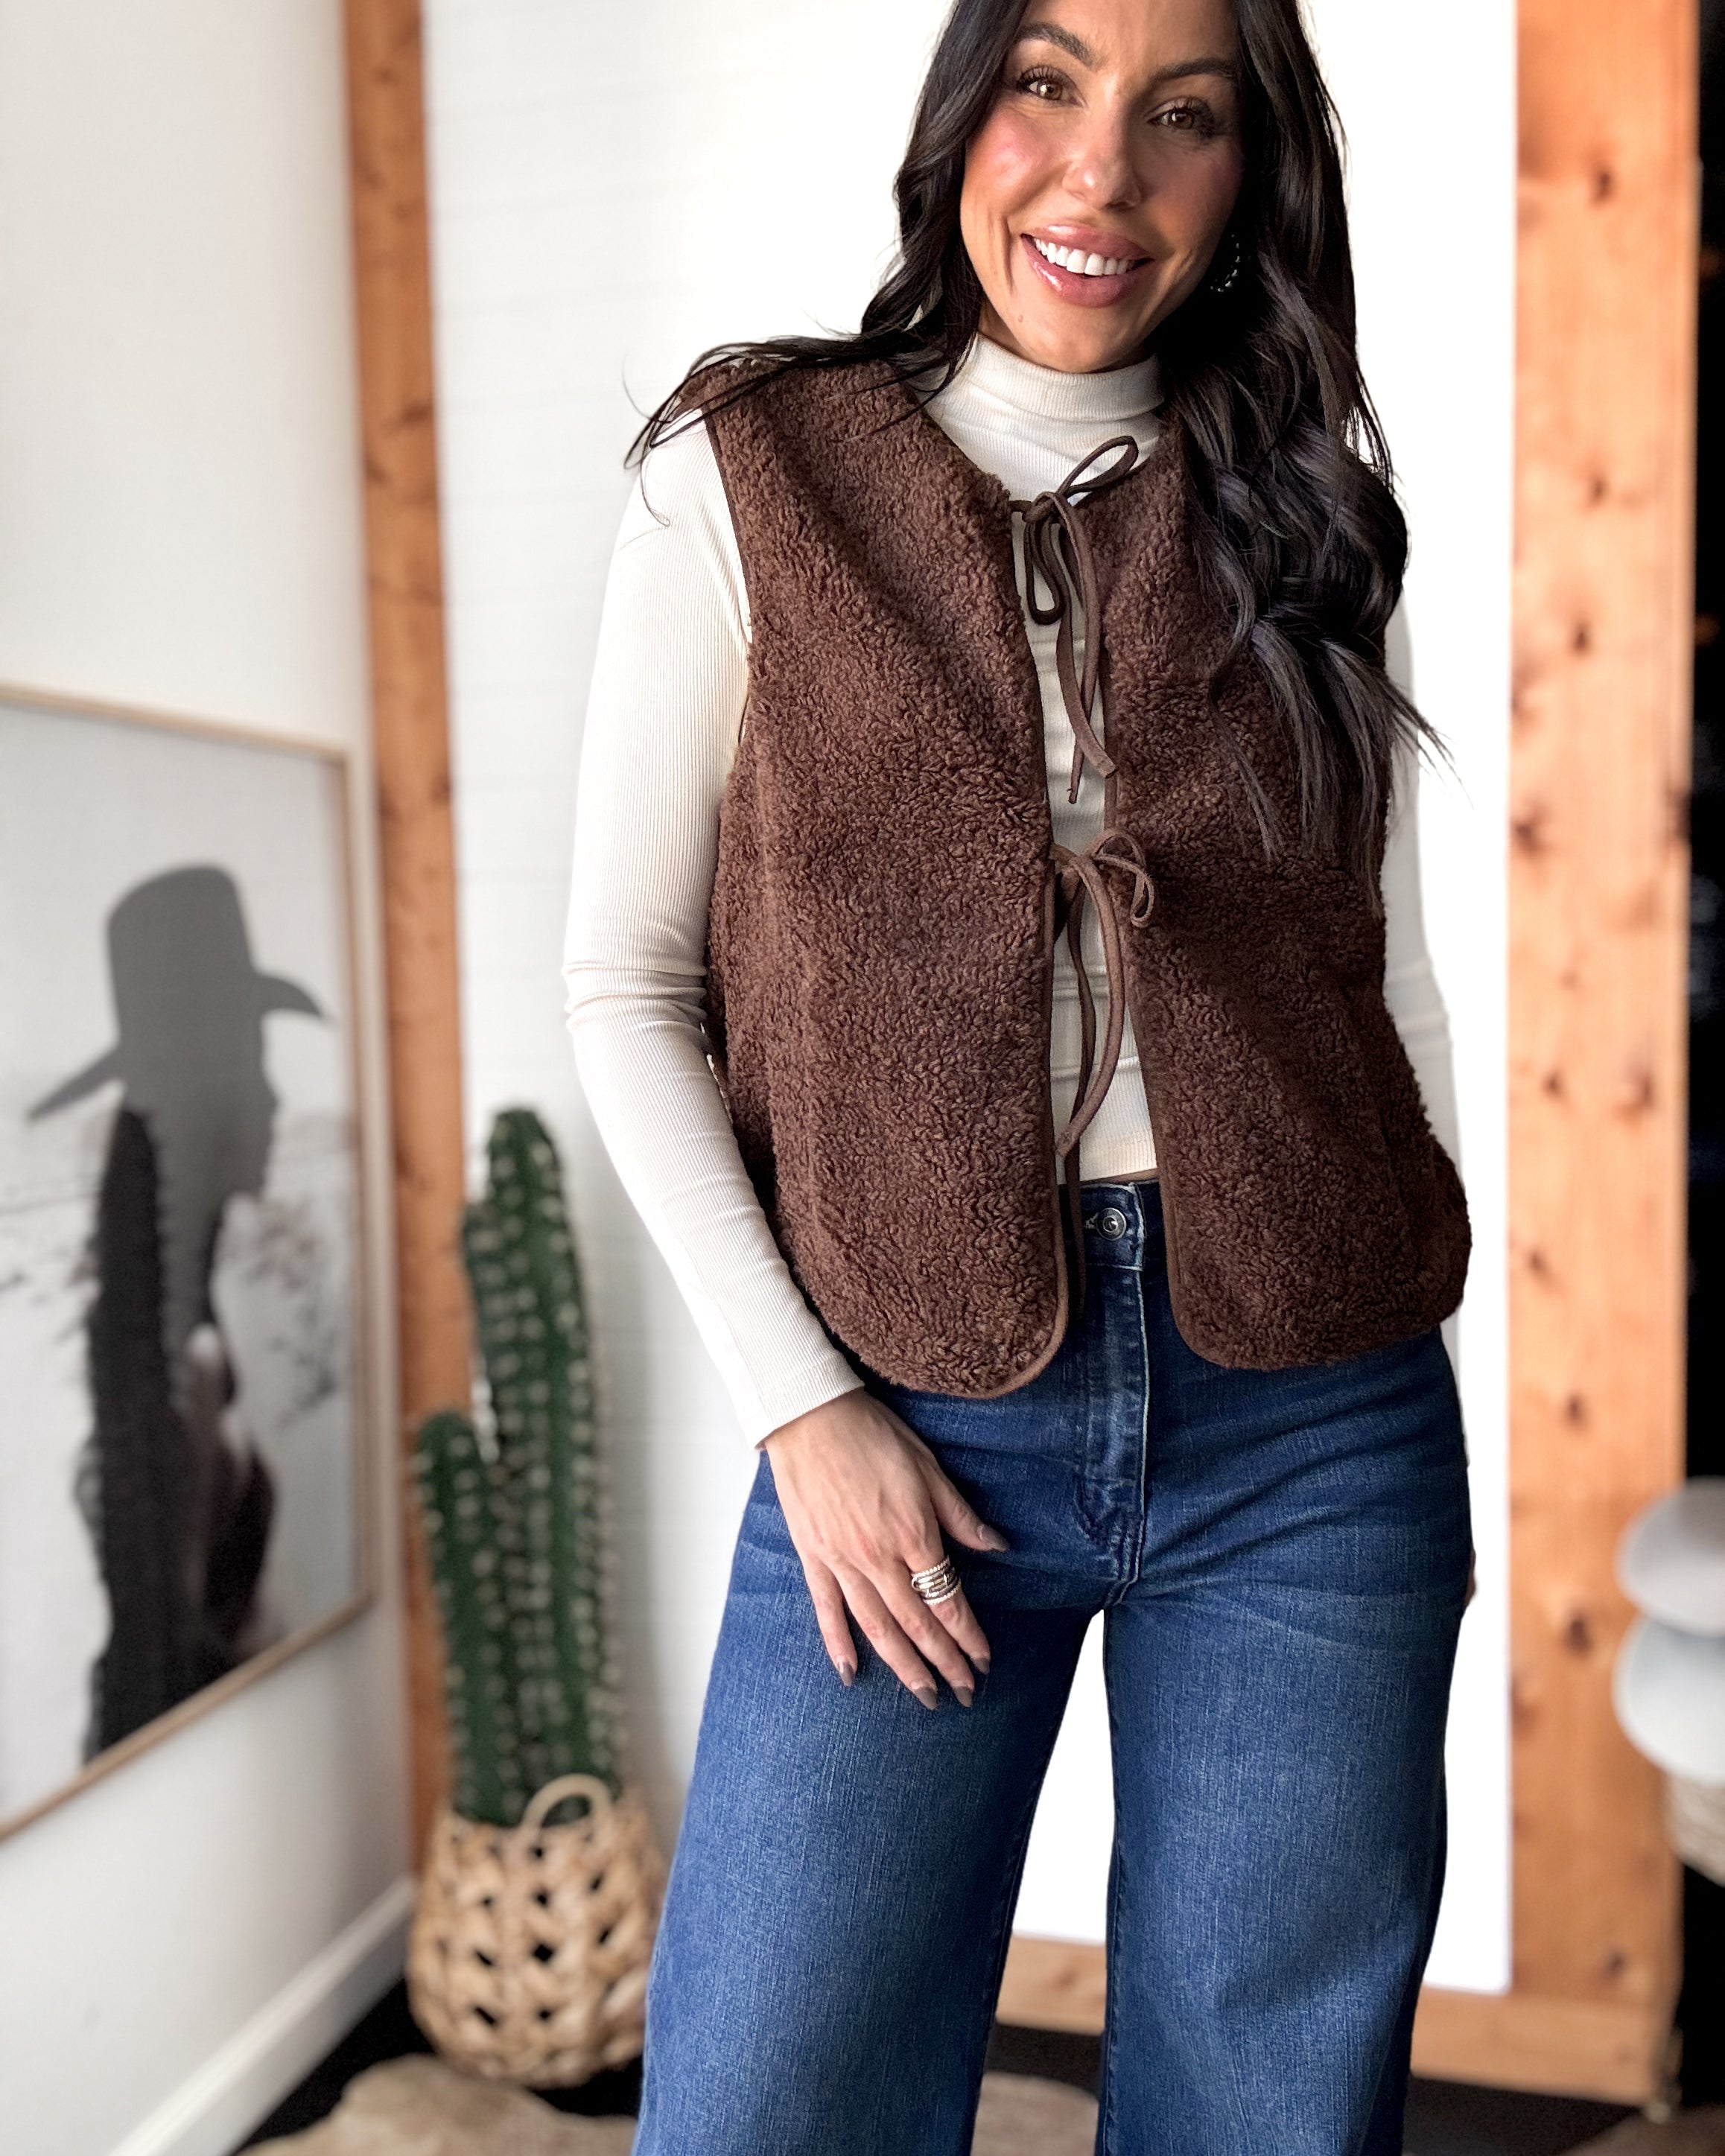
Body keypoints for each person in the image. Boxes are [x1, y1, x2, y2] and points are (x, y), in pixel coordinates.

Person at [562, 0, 1475, 2148]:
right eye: (1048, 85)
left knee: (1271, 2112)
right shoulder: (752, 470)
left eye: (1186, 116)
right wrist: (801, 1406)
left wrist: (1407, 1359)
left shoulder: (1311, 519)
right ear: (964, 113)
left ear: (1249, 175)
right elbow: (625, 983)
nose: (1101, 172)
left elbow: (1388, 984)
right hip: (904, 1403)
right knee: (770, 2103)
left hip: (1316, 1426)